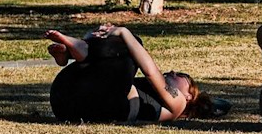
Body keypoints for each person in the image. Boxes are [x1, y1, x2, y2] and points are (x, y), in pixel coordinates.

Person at [46, 24, 225, 124]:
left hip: (90, 107)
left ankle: (76, 50)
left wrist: (124, 32)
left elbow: (149, 70)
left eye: (181, 76)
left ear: (189, 95)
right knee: (119, 50)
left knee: (133, 44)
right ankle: (75, 51)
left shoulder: (178, 103)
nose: (172, 71)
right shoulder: (126, 83)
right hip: (68, 99)